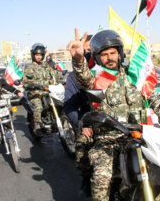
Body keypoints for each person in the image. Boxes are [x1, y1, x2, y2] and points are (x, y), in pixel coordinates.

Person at [67, 29, 160, 201]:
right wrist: (78, 59)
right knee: (102, 178)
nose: (109, 58)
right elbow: (83, 78)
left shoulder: (134, 75)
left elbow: (153, 96)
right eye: (104, 54)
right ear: (98, 57)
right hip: (108, 140)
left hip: (139, 137)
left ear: (119, 53)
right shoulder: (96, 78)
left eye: (112, 53)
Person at [63, 33, 93, 197]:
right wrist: (82, 124)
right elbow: (69, 106)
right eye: (85, 50)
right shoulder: (74, 77)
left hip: (117, 124)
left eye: (91, 50)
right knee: (83, 150)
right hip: (89, 124)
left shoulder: (114, 71)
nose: (88, 53)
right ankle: (86, 180)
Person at [22, 43, 61, 134]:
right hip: (36, 92)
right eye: (37, 55)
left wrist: (61, 81)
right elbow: (25, 82)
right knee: (38, 107)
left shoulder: (46, 66)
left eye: (40, 55)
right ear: (33, 55)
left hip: (48, 91)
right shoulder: (29, 68)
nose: (38, 57)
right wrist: (31, 85)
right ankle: (37, 124)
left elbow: (55, 75)